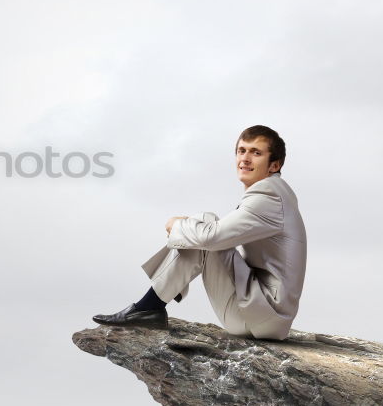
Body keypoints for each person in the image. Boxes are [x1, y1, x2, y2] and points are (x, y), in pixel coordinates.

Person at [92, 125, 307, 340]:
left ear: (274, 165)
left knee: (204, 228)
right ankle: (151, 306)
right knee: (201, 229)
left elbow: (211, 238)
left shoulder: (268, 194)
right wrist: (189, 229)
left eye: (256, 152)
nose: (245, 158)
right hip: (266, 314)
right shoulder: (276, 192)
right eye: (241, 151)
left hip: (262, 316)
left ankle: (149, 307)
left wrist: (176, 225)